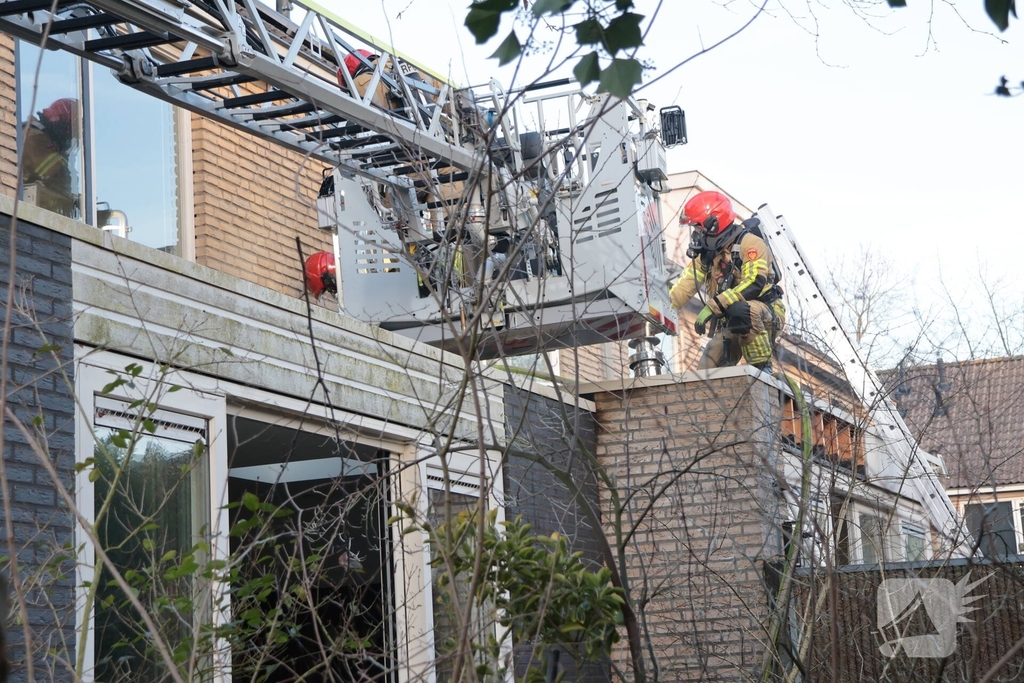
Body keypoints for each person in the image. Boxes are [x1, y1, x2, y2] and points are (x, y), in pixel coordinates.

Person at [669, 190, 786, 372]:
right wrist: (658, 309)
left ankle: (763, 371)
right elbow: (684, 287)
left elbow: (754, 283)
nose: (696, 235)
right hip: (731, 323)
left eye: (698, 228)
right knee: (706, 371)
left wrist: (713, 306)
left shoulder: (750, 244)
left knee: (741, 310)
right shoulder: (706, 258)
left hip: (763, 315)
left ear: (714, 224)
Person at [20, 97, 80, 217]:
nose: (68, 139)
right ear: (61, 125)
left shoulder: (34, 134)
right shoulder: (35, 138)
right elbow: (60, 180)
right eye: (69, 133)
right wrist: (80, 205)